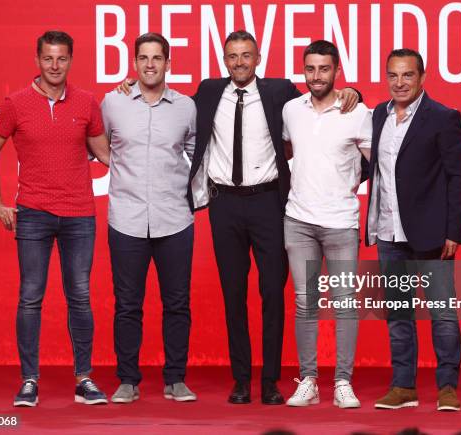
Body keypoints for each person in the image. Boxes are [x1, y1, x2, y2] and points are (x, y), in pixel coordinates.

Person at [119, 29, 360, 404]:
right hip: (224, 205)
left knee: (272, 295)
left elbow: (321, 106)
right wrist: (133, 83)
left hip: (268, 203)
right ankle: (242, 379)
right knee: (233, 294)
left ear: (258, 58)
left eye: (246, 55)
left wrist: (354, 93)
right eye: (232, 56)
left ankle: (271, 381)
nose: (240, 62)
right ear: (224, 60)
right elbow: (166, 95)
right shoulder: (210, 91)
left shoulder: (281, 92)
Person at [0, 30, 110, 407]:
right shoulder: (16, 104)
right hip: (34, 213)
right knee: (30, 298)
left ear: (71, 60)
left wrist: (124, 96)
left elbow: (107, 155)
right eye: (48, 59)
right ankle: (29, 381)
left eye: (62, 59)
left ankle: (84, 379)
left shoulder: (87, 102)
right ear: (37, 60)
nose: (55, 66)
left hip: (79, 214)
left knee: (81, 297)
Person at [365, 48, 461, 411]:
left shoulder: (443, 117)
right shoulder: (378, 115)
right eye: (393, 75)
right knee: (398, 312)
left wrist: (454, 231)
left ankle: (447, 387)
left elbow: (460, 177)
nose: (400, 82)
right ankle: (403, 386)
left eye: (407, 75)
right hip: (388, 233)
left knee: (442, 312)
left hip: (431, 234)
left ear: (422, 77)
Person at [101, 33, 197, 404]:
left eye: (157, 58)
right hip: (126, 219)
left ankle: (176, 379)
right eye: (143, 58)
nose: (150, 64)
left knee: (177, 303)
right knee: (127, 304)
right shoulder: (113, 102)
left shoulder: (186, 107)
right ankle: (128, 379)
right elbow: (98, 143)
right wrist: (125, 170)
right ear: (135, 63)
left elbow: (195, 154)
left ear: (168, 63)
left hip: (175, 219)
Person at [280, 40, 371, 409]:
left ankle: (343, 382)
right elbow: (288, 150)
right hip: (298, 220)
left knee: (345, 303)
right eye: (311, 69)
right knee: (305, 303)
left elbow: (379, 161)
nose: (316, 76)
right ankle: (309, 380)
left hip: (340, 222)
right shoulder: (291, 109)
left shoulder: (357, 111)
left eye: (324, 69)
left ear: (337, 71)